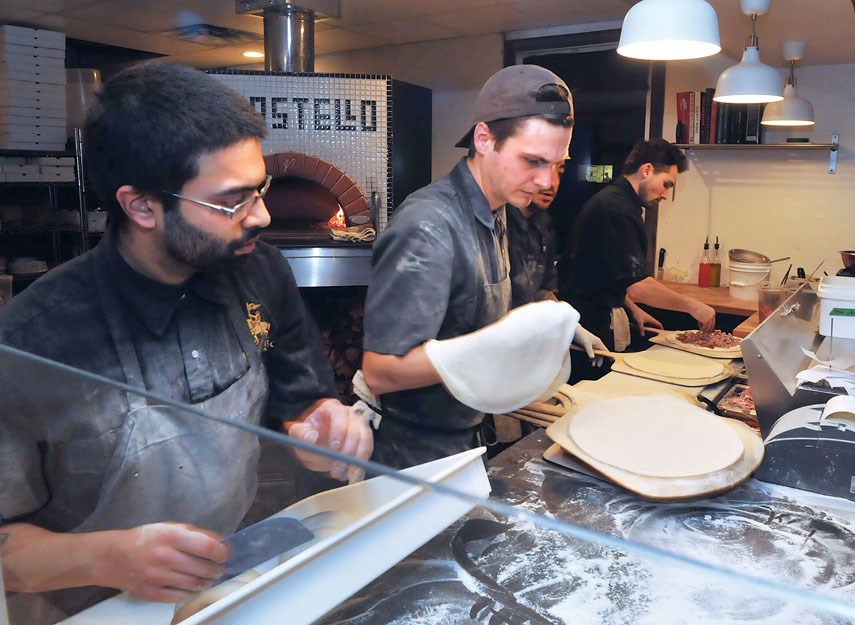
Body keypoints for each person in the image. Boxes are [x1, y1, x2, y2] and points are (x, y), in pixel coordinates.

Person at [0, 61, 372, 624]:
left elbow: (300, 402)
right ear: (141, 206)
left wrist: (321, 424)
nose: (263, 216)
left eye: (261, 188)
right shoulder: (33, 342)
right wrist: (106, 557)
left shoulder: (260, 272)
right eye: (233, 201)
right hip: (88, 611)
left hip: (225, 589)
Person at [360, 64, 604, 469]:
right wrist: (490, 347)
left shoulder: (500, 211)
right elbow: (381, 372)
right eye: (533, 161)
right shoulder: (429, 226)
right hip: (411, 451)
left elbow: (484, 312)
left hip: (463, 433)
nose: (547, 182)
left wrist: (558, 326)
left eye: (557, 164)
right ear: (484, 138)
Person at [558, 138, 715, 353]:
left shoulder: (617, 202)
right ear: (647, 170)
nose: (665, 195)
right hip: (589, 325)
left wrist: (631, 308)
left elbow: (611, 276)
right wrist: (693, 306)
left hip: (595, 315)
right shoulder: (617, 209)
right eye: (666, 184)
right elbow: (639, 287)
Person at [507, 159, 564, 308]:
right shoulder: (499, 222)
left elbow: (543, 288)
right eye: (541, 168)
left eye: (560, 171)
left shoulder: (544, 224)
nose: (552, 183)